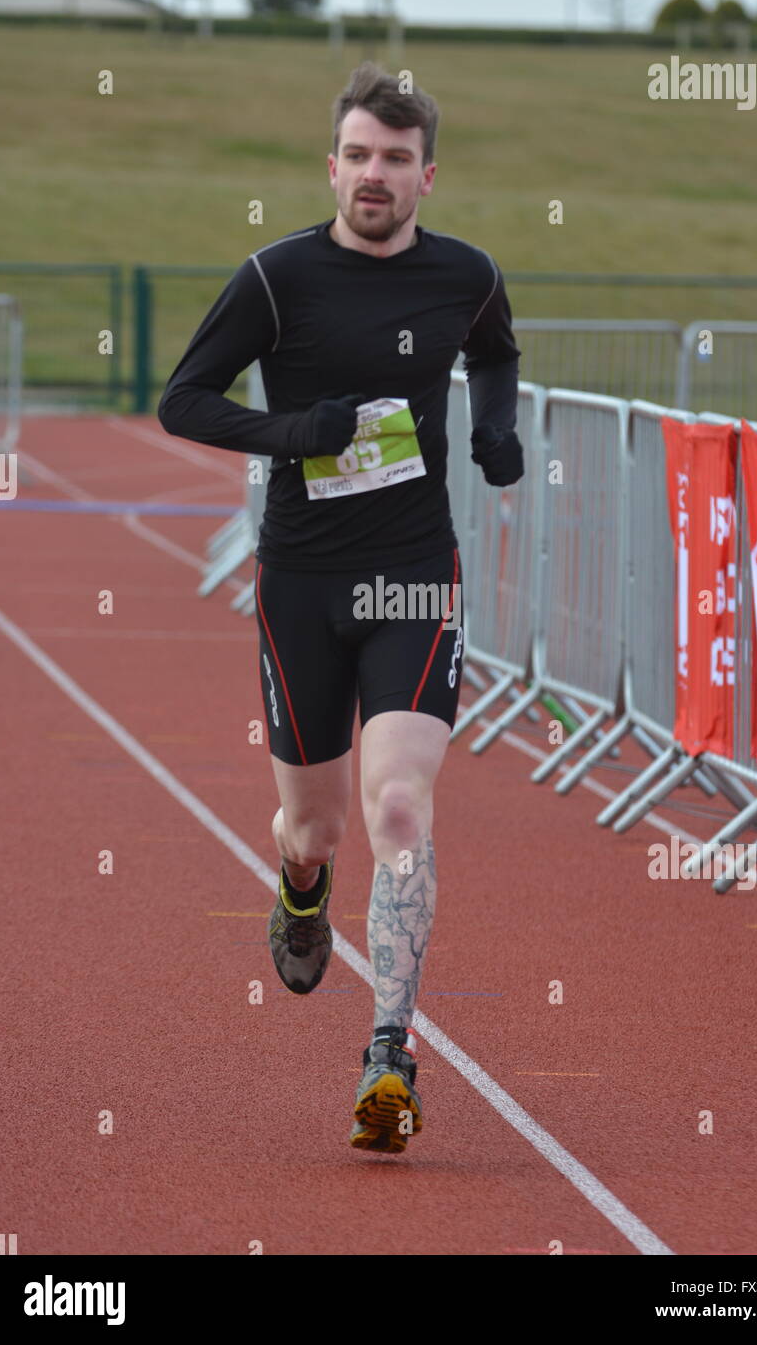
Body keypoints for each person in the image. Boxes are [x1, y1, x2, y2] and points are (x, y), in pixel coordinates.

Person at [158, 61, 523, 1154]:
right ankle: (299, 886)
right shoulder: (276, 279)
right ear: (331, 166)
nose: (374, 174)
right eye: (358, 155)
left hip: (413, 569)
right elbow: (184, 397)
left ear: (426, 177)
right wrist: (289, 435)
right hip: (303, 582)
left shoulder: (467, 276)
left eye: (395, 160)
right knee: (312, 826)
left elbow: (496, 352)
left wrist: (490, 432)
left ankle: (389, 1055)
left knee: (400, 807)